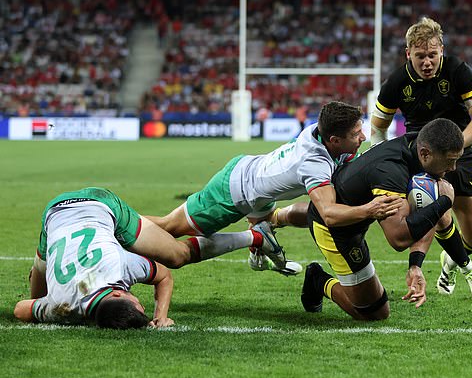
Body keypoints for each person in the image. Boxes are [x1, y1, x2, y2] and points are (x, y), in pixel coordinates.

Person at [146, 101, 402, 275]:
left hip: (258, 187)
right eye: (357, 133)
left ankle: (262, 238)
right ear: (335, 140)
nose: (362, 137)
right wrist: (370, 209)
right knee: (170, 228)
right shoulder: (314, 163)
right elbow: (330, 216)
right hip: (234, 191)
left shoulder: (320, 132)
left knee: (303, 211)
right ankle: (118, 225)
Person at [301, 118, 472, 321]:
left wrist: (415, 265)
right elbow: (398, 239)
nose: (453, 168)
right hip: (336, 230)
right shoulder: (391, 171)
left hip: (360, 218)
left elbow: (431, 217)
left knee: (435, 208)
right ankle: (318, 280)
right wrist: (445, 202)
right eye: (449, 161)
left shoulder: (417, 147)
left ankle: (282, 217)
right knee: (373, 313)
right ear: (425, 154)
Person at [369, 17, 472, 296]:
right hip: (421, 160)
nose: (427, 62)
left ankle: (449, 262)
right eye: (420, 56)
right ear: (408, 54)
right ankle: (465, 271)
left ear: (442, 51)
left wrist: (454, 151)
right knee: (436, 212)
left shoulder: (457, 70)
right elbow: (377, 128)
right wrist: (387, 165)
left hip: (461, 154)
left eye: (432, 55)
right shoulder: (396, 82)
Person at [13, 188, 174, 329]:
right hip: (65, 209)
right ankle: (42, 273)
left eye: (139, 305)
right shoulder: (61, 306)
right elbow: (20, 310)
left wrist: (161, 317)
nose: (142, 305)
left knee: (177, 256)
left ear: (118, 294)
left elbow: (164, 275)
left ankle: (41, 272)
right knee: (38, 296)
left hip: (88, 205)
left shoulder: (120, 267)